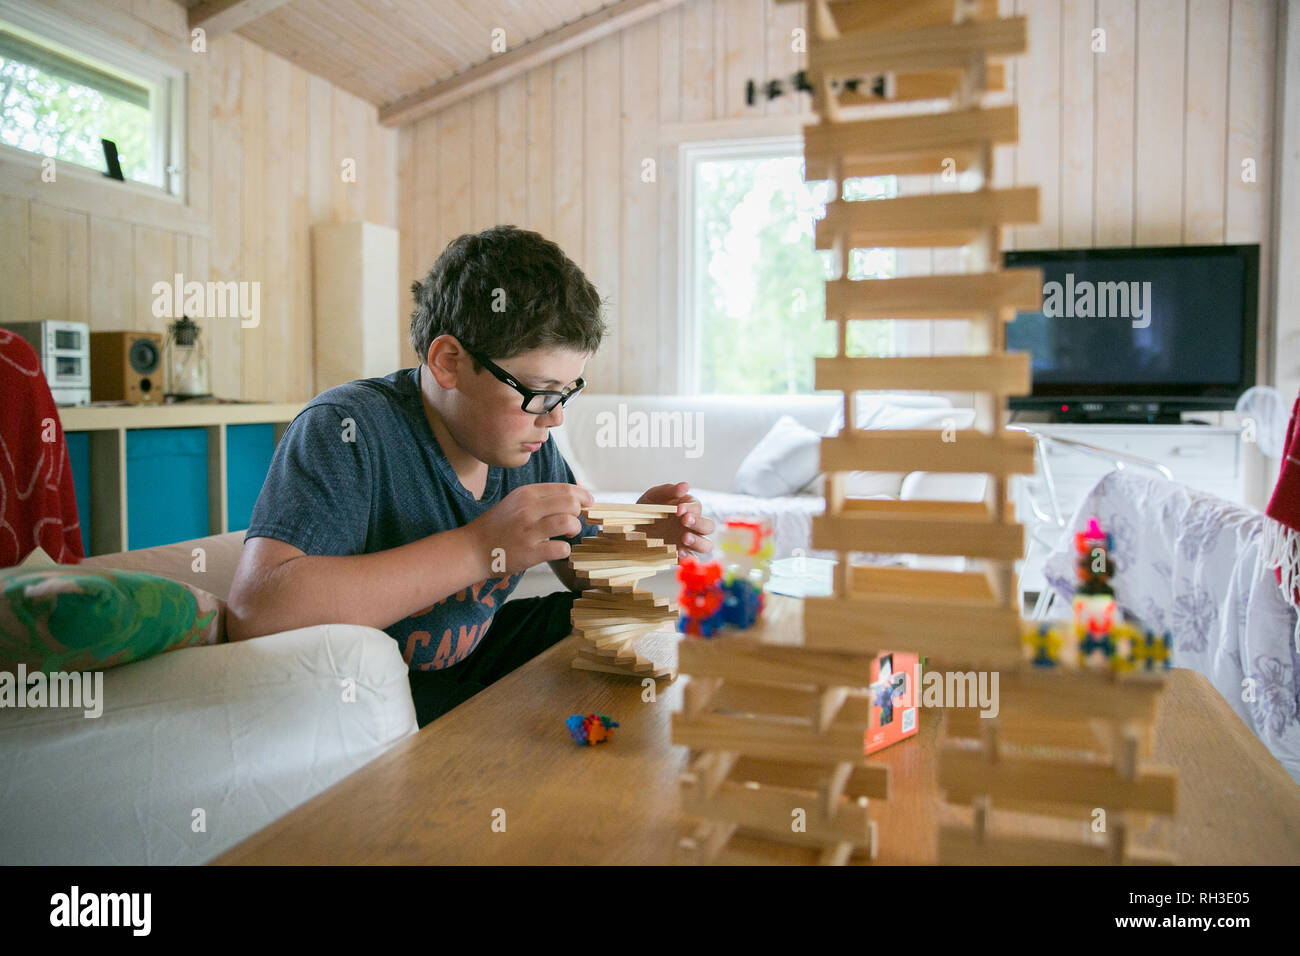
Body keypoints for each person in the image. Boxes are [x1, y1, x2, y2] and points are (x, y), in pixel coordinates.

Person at [226, 225, 713, 727]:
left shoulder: (528, 448)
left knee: (616, 623)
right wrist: (479, 548)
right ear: (449, 363)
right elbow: (257, 612)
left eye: (567, 391)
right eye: (540, 390)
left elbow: (577, 567)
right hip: (367, 690)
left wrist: (635, 538)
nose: (555, 417)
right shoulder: (348, 429)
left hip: (472, 655)